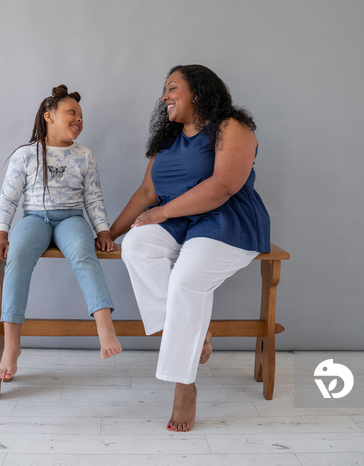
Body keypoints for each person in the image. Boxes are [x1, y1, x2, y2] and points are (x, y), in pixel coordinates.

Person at [110, 65, 270, 432]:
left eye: (172, 88)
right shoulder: (168, 140)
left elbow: (224, 186)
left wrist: (163, 212)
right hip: (177, 222)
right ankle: (190, 334)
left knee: (185, 281)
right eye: (164, 90)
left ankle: (185, 386)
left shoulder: (232, 127)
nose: (165, 96)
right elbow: (146, 194)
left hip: (227, 219)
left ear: (197, 91)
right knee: (136, 245)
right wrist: (109, 233)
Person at [0, 85, 122, 382]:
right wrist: (1, 234)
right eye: (71, 112)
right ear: (49, 116)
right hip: (34, 218)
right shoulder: (25, 155)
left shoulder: (84, 155)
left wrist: (103, 231)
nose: (79, 119)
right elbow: (8, 198)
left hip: (71, 218)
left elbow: (93, 198)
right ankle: (12, 345)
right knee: (18, 256)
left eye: (82, 115)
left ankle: (104, 324)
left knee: (84, 254)